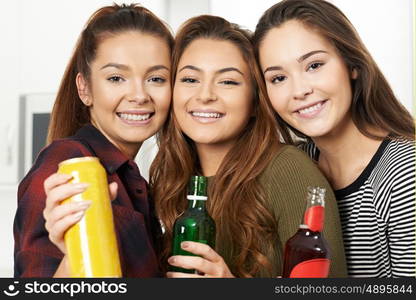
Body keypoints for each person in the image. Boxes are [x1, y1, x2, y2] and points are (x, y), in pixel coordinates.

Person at [150, 15, 347, 278]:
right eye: (190, 79)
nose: (205, 94)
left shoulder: (287, 170)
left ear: (255, 101)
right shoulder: (170, 179)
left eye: (228, 81)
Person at [253, 0, 415, 277]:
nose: (299, 90)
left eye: (314, 65)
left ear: (351, 64)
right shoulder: (293, 166)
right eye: (278, 78)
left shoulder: (405, 173)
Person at [13, 3, 173, 277]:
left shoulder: (134, 182)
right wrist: (73, 258)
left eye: (156, 78)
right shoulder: (68, 163)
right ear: (84, 88)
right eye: (116, 78)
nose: (139, 95)